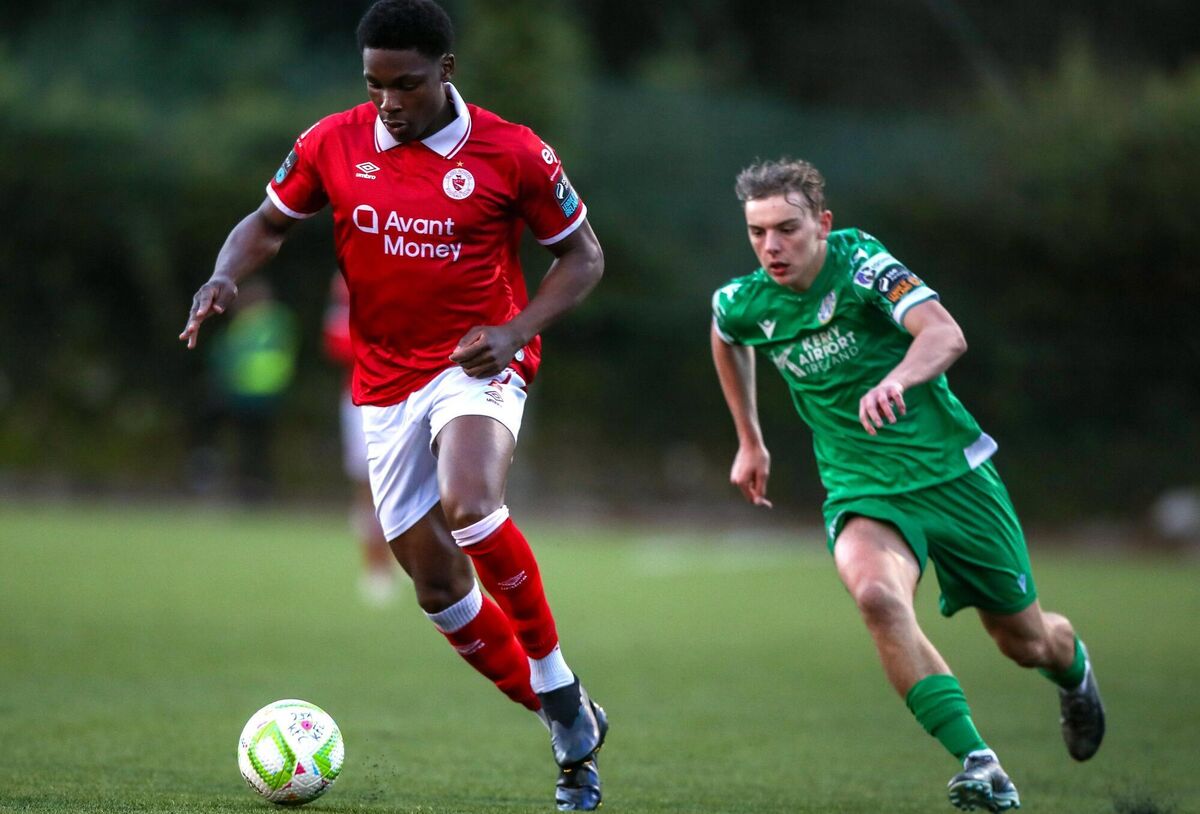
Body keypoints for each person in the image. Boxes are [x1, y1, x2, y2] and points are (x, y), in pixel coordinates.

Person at [179, 1, 608, 808]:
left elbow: (582, 257)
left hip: (473, 361)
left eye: (406, 84)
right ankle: (566, 718)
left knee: (472, 503)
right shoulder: (332, 141)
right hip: (382, 381)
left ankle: (556, 687)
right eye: (375, 85)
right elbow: (267, 222)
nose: (389, 102)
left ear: (446, 71)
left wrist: (516, 329)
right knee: (438, 588)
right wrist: (225, 272)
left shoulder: (514, 152)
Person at [709, 158, 1105, 812]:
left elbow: (944, 334)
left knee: (1024, 640)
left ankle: (1075, 669)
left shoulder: (863, 266)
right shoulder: (747, 300)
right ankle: (982, 765)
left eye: (787, 228)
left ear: (822, 225)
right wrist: (750, 439)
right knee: (876, 597)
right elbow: (726, 337)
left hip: (954, 478)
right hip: (863, 489)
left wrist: (897, 380)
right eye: (757, 233)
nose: (772, 246)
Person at [322, 271, 399, 606]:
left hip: (412, 395)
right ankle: (377, 569)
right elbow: (336, 343)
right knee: (368, 486)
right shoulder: (347, 283)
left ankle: (434, 568)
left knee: (430, 487)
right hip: (361, 400)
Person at [193, 278, 299, 501]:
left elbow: (228, 356)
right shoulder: (253, 323)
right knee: (249, 444)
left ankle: (255, 488)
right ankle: (247, 486)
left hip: (260, 395)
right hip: (244, 394)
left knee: (255, 445)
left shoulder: (267, 322)